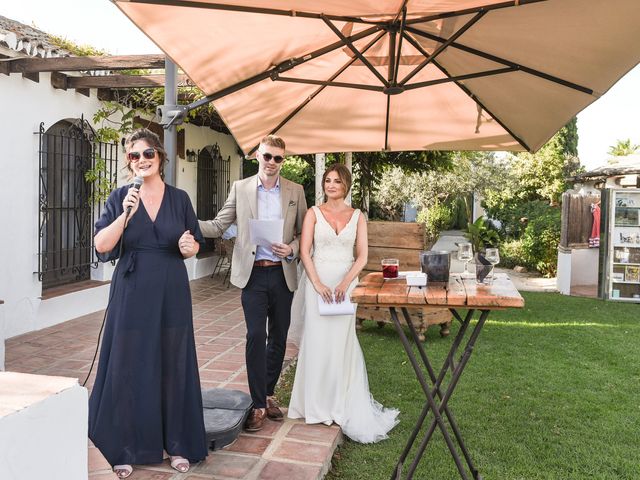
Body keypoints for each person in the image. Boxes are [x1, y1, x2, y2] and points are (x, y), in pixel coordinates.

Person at [88, 129, 207, 479]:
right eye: (135, 155)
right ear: (129, 162)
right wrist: (125, 216)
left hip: (171, 288)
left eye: (148, 153)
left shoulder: (180, 198)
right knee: (128, 364)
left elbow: (194, 242)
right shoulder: (120, 197)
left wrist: (190, 247)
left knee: (173, 363)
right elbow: (101, 245)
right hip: (132, 286)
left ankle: (178, 443)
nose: (142, 159)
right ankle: (124, 446)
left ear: (160, 157)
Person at [199, 135, 307, 432]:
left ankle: (268, 393)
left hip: (282, 273)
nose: (272, 163)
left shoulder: (296, 191)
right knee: (255, 336)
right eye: (267, 156)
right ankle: (258, 404)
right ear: (257, 155)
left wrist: (293, 248)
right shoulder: (241, 188)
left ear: (284, 160)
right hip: (253, 274)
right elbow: (219, 225)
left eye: (278, 158)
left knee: (279, 338)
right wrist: (182, 219)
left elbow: (303, 233)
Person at [288, 163, 399, 443]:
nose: (331, 185)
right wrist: (319, 284)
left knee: (342, 342)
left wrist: (344, 284)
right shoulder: (313, 214)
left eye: (337, 181)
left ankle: (338, 403)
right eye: (327, 180)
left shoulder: (357, 216)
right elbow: (305, 252)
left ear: (346, 185)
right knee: (317, 341)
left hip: (346, 286)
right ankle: (315, 405)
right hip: (318, 285)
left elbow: (361, 256)